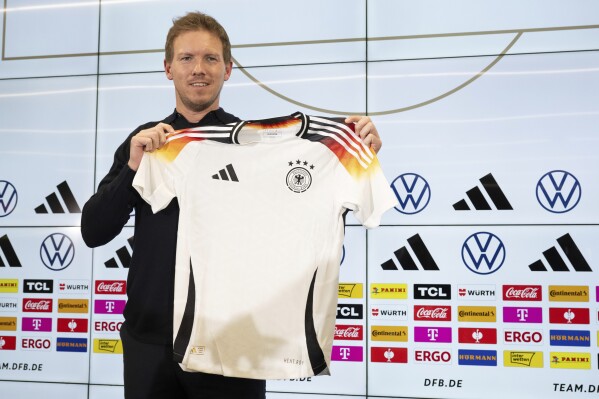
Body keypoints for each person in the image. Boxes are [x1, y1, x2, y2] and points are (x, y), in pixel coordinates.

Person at [81, 11, 383, 399]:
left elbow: (307, 218)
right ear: (168, 68)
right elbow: (93, 230)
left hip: (234, 344)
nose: (198, 69)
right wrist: (133, 167)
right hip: (149, 340)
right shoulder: (147, 146)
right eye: (187, 58)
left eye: (210, 59)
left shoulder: (259, 150)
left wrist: (356, 154)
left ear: (228, 69)